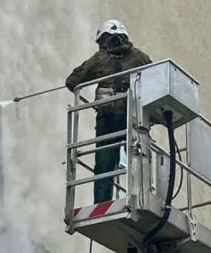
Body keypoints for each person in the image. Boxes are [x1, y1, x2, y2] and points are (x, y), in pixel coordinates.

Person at [65, 19, 152, 204]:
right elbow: (157, 81)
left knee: (105, 166)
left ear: (104, 39)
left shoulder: (100, 58)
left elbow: (72, 81)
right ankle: (143, 199)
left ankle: (102, 204)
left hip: (108, 119)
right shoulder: (141, 58)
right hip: (134, 117)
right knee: (139, 158)